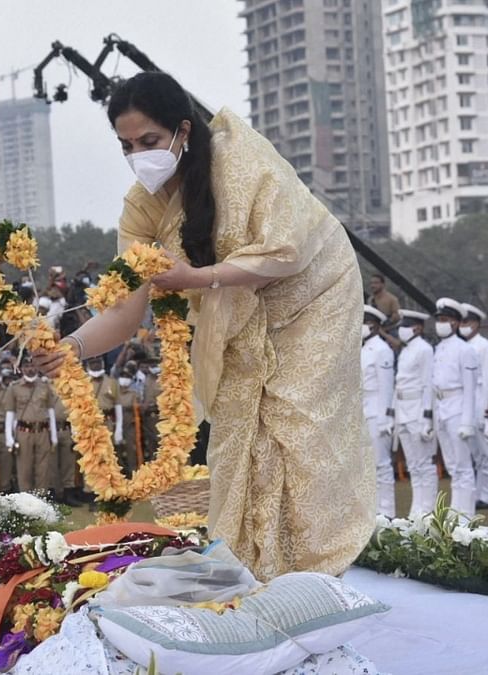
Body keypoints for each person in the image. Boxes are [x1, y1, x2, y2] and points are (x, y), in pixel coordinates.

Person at [33, 71, 372, 578]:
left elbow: (287, 250)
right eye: (126, 145)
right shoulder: (141, 207)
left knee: (299, 429)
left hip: (311, 295)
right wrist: (72, 348)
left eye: (149, 141)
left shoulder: (241, 161)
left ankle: (317, 574)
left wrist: (198, 275)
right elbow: (126, 307)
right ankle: (254, 568)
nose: (138, 154)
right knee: (239, 428)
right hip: (233, 311)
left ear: (183, 131)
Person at [431, 299, 480, 518]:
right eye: (438, 319)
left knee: (463, 466)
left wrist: (468, 421)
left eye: (444, 320)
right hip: (442, 407)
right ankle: (455, 511)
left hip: (458, 408)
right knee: (452, 466)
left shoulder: (465, 349)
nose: (440, 323)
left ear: (455, 322)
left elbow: (470, 388)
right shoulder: (439, 348)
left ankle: (465, 514)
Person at [387, 310, 436, 517]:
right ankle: (417, 508)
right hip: (403, 410)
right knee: (413, 465)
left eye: (406, 325)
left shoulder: (424, 350)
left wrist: (427, 416)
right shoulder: (406, 350)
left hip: (417, 410)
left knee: (424, 463)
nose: (402, 330)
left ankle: (429, 508)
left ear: (417, 327)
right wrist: (391, 414)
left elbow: (427, 383)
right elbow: (398, 384)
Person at [460, 303, 488, 509]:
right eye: (462, 322)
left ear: (476, 324)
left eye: (468, 322)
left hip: (480, 405)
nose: (464, 326)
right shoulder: (462, 345)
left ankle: (487, 496)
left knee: (485, 454)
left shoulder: (484, 346)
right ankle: (475, 494)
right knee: (472, 454)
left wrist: (485, 412)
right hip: (466, 405)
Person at [361, 306, 396, 517]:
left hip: (377, 411)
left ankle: (387, 511)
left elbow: (386, 387)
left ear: (374, 325)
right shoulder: (363, 348)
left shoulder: (382, 350)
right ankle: (373, 512)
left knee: (381, 464)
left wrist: (385, 418)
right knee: (367, 466)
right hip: (363, 410)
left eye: (365, 322)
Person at [8, 360, 55, 493]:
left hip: (43, 431)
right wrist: (9, 437)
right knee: (24, 467)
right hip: (23, 431)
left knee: (43, 467)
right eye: (27, 366)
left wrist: (54, 436)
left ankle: (41, 498)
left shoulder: (45, 386)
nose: (30, 369)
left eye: (33, 365)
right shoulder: (14, 387)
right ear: (22, 368)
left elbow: (50, 411)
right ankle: (25, 500)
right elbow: (10, 413)